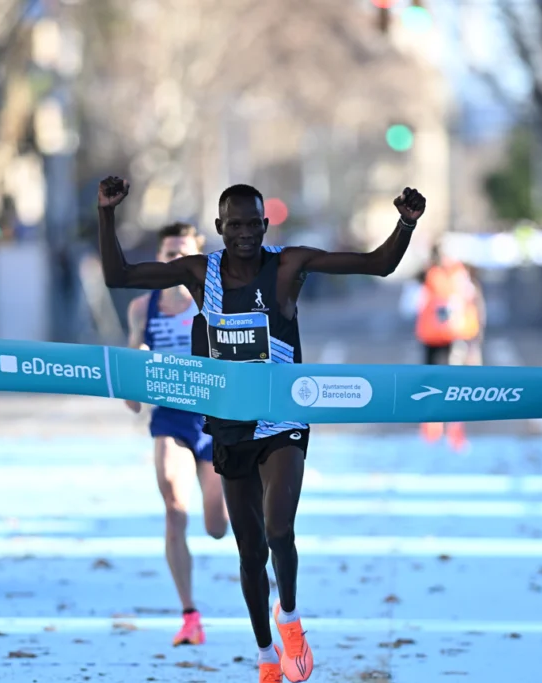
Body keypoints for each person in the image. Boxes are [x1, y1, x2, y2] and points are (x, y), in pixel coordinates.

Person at [97, 175, 426, 683]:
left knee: (279, 530)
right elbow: (119, 276)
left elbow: (376, 264)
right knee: (249, 552)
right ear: (219, 228)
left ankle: (290, 619)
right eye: (236, 225)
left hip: (282, 418)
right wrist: (106, 213)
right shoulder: (197, 272)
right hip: (229, 426)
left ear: (265, 224)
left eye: (254, 223)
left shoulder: (287, 264)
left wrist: (405, 223)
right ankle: (266, 654)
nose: (246, 233)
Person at [124, 222, 229, 646]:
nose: (176, 261)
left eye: (185, 254)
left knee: (218, 526)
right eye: (170, 253)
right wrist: (138, 365)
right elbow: (131, 383)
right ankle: (189, 614)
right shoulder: (141, 308)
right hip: (170, 418)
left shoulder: (215, 303)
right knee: (172, 501)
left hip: (215, 422)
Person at [414, 244, 485, 449]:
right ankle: (438, 430)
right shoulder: (448, 276)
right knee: (445, 385)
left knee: (443, 384)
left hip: (448, 337)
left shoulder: (446, 275)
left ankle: (442, 430)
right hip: (444, 337)